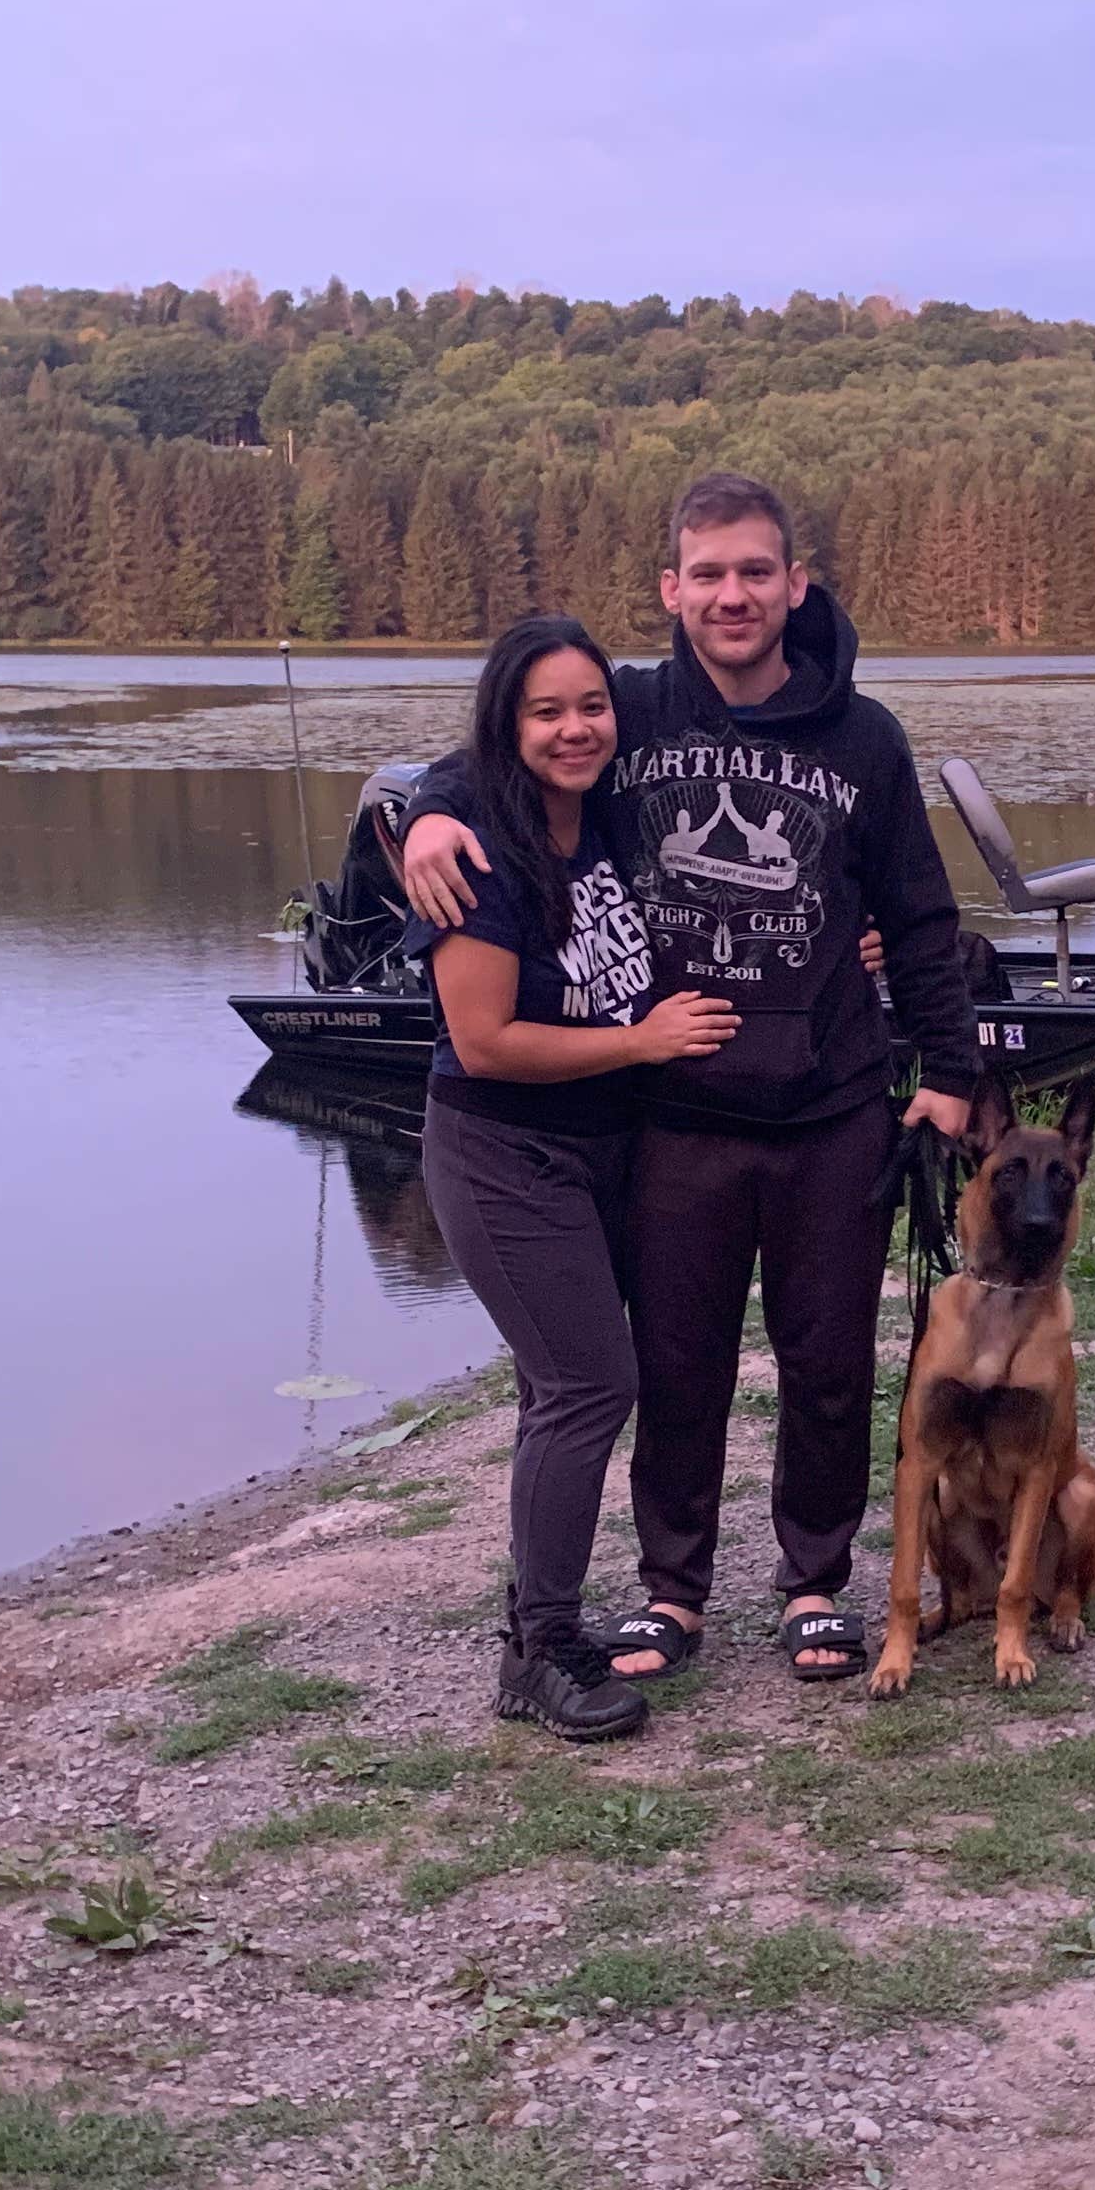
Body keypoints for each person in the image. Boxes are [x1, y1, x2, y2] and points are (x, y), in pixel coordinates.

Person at [402, 474, 980, 1684]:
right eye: (708, 574)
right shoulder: (634, 713)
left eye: (755, 572)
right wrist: (418, 818)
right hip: (671, 1111)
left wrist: (951, 1073)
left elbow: (921, 919)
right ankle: (675, 1591)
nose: (733, 595)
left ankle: (815, 1578)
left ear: (794, 585)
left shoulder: (865, 737)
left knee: (829, 1361)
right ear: (671, 590)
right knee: (677, 1364)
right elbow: (510, 757)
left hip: (832, 1105)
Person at [410, 614, 741, 1740]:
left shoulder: (600, 816)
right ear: (507, 725)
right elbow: (488, 1038)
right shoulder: (480, 851)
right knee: (590, 1384)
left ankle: (542, 1618)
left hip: (603, 1151)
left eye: (590, 707)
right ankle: (537, 1652)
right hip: (504, 1151)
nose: (574, 729)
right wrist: (644, 1043)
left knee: (562, 1386)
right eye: (544, 712)